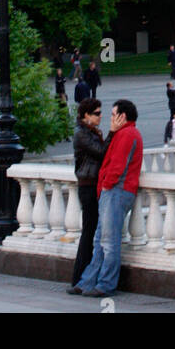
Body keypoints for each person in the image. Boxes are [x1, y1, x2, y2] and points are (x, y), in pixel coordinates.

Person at [69, 99, 143, 298]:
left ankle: (105, 284)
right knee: (100, 240)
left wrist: (106, 185)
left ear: (122, 116)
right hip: (111, 191)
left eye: (112, 114)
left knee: (108, 242)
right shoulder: (122, 133)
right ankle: (87, 282)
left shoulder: (128, 134)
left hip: (116, 191)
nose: (108, 118)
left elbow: (117, 166)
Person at [70, 97, 105, 287]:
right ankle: (79, 278)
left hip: (92, 184)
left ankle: (85, 276)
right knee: (89, 231)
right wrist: (113, 134)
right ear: (86, 115)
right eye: (97, 113)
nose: (101, 117)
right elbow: (100, 151)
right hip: (87, 186)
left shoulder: (89, 131)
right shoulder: (81, 134)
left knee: (92, 231)